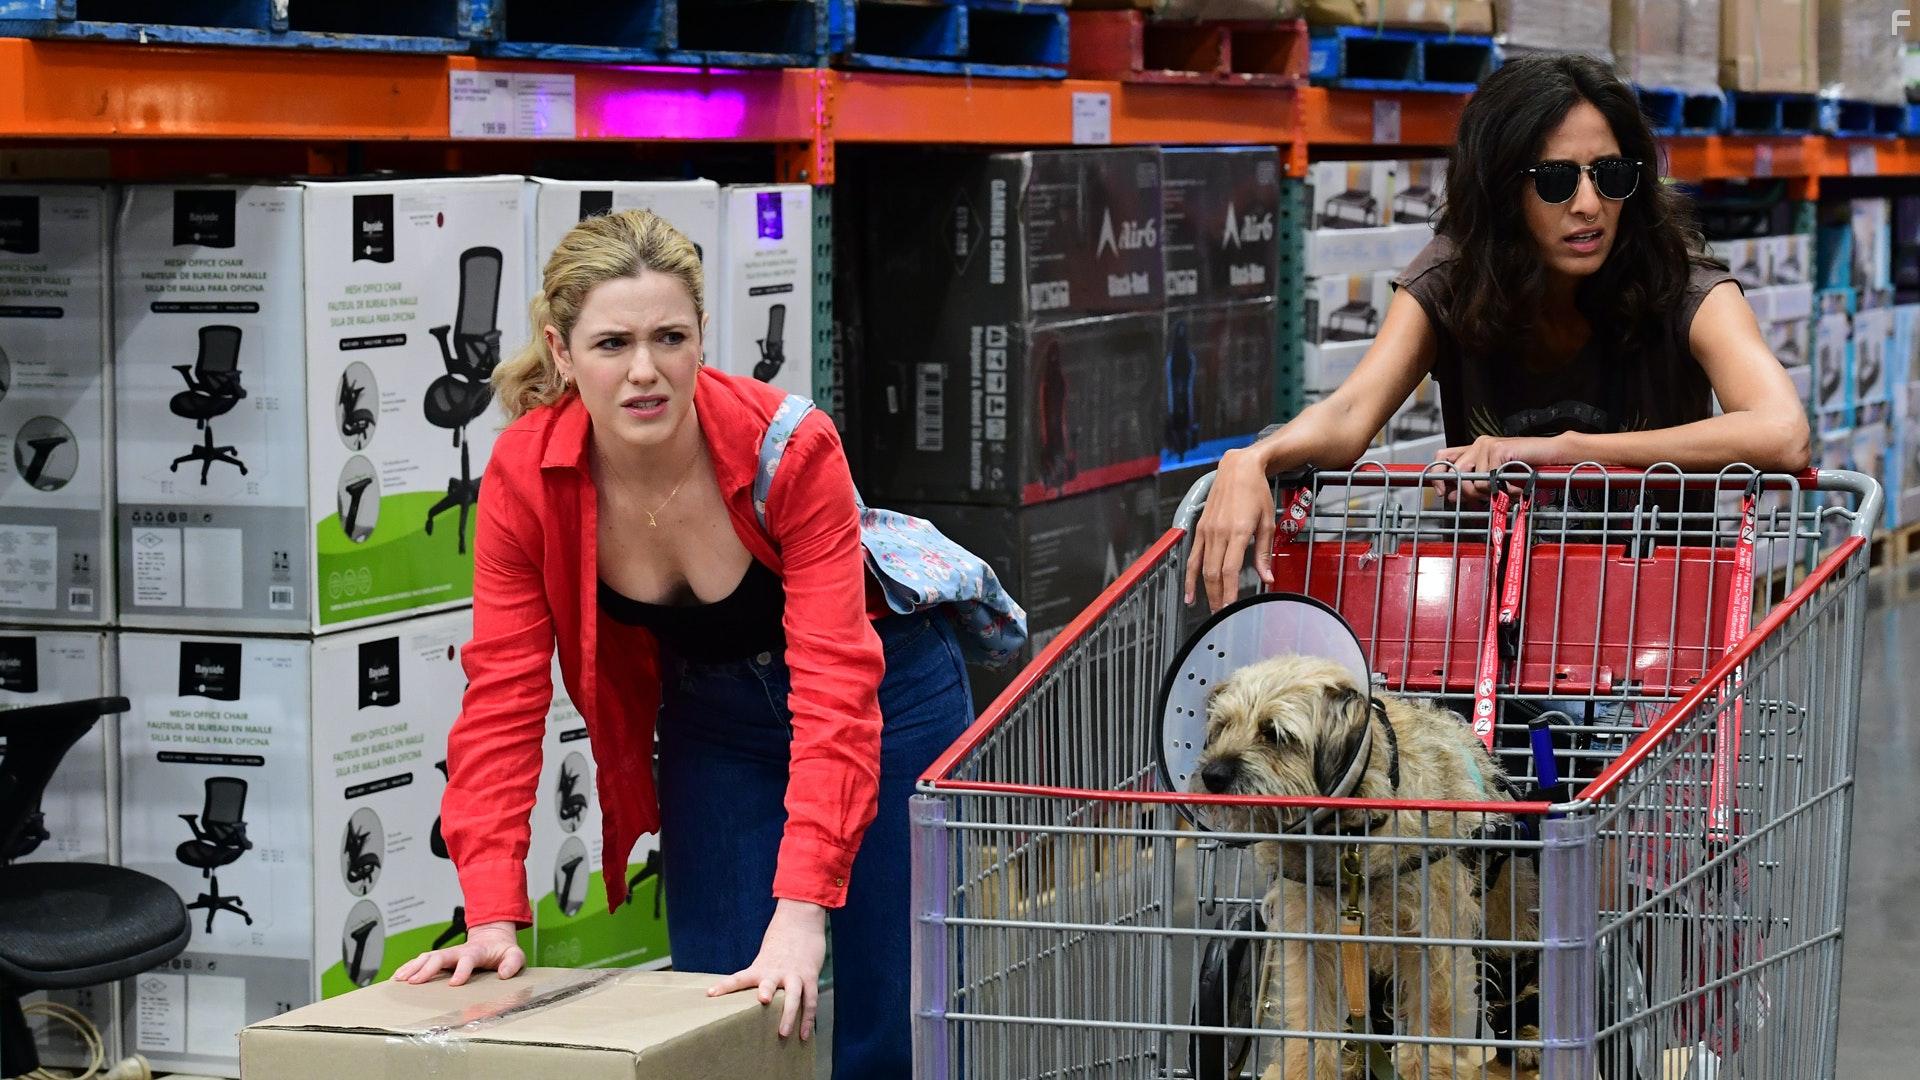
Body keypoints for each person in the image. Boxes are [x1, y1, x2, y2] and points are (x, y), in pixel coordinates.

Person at [392, 209, 976, 1080]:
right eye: (610, 343)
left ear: (703, 336)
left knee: (887, 1024)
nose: (643, 371)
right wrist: (490, 919)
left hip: (888, 702)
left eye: (670, 336)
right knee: (719, 1013)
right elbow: (503, 699)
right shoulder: (526, 476)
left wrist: (805, 905)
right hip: (715, 719)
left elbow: (835, 688)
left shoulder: (790, 449)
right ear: (560, 351)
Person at [1187, 54, 1812, 612]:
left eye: (1611, 174)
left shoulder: (1683, 284)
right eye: (1557, 180)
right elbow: (1352, 411)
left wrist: (1565, 453)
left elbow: (1782, 433)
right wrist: (1253, 459)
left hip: (1651, 623)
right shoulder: (1453, 279)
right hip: (1491, 619)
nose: (1589, 204)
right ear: (1502, 190)